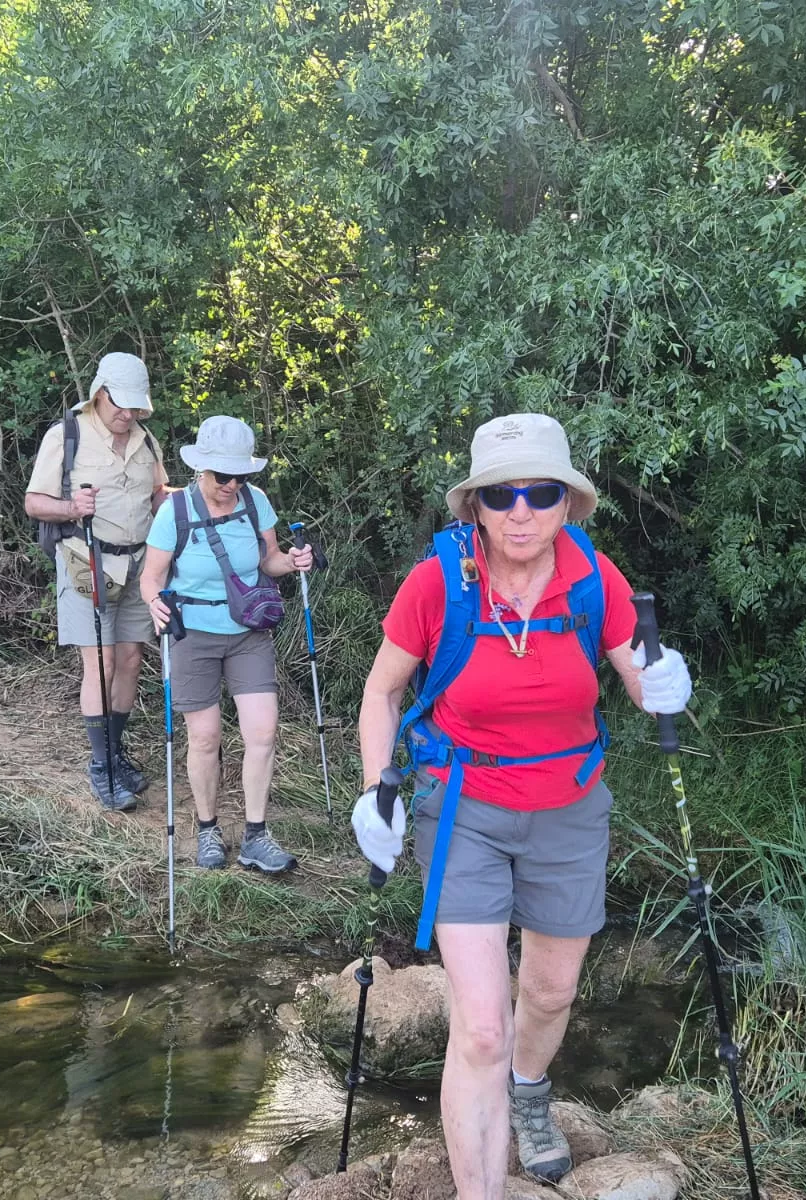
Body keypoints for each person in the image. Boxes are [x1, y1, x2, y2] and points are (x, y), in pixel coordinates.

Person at [348, 413, 692, 1195]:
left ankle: (530, 1092)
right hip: (462, 805)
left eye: (541, 492)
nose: (522, 511)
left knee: (549, 991)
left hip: (569, 806)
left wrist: (667, 680)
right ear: (474, 506)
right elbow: (380, 689)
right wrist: (376, 787)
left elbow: (644, 681)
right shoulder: (438, 582)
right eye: (502, 495)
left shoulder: (592, 579)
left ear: (568, 502)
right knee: (478, 1028)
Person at [138, 415, 314, 874]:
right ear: (201, 470)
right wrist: (156, 603)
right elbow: (151, 578)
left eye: (241, 475)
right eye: (223, 476)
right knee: (205, 736)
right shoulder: (174, 512)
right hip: (192, 634)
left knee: (263, 731)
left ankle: (256, 836)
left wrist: (292, 561)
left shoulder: (255, 503)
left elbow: (266, 560)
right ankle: (208, 829)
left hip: (247, 632)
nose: (232, 484)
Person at [23, 352, 169, 812]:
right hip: (87, 563)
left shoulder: (146, 440)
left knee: (129, 659)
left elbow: (158, 494)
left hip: (139, 565)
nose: (128, 415)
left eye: (135, 407)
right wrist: (72, 509)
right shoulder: (66, 435)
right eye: (120, 405)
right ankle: (101, 765)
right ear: (99, 394)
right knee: (100, 664)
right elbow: (33, 502)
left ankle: (116, 751)